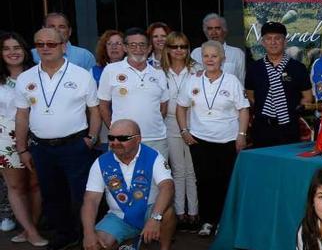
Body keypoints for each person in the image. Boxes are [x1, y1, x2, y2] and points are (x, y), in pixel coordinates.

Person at [14, 27, 101, 250]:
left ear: (63, 46)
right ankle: (65, 235)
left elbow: (95, 110)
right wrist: (22, 148)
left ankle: (85, 236)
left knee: (81, 194)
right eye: (40, 44)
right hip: (41, 148)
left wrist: (91, 138)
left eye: (51, 44)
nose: (45, 48)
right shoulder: (26, 78)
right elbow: (22, 115)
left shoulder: (81, 75)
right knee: (52, 195)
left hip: (75, 145)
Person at [81, 119, 176, 250]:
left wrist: (154, 218)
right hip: (119, 216)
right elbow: (91, 200)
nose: (115, 142)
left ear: (138, 139)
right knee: (98, 246)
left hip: (149, 212)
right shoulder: (101, 162)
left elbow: (167, 187)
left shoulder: (153, 157)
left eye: (123, 138)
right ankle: (133, 240)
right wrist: (88, 233)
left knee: (167, 213)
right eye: (111, 138)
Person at [175, 40, 249, 237]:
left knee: (225, 181)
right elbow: (181, 106)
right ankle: (208, 221)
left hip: (227, 140)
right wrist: (184, 130)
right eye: (206, 56)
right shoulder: (192, 80)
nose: (210, 59)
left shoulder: (232, 81)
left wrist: (241, 135)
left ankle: (224, 222)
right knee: (204, 181)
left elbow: (243, 109)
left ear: (222, 59)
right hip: (199, 140)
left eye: (214, 56)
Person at [0, 32, 46, 246]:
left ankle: (31, 227)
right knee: (17, 186)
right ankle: (29, 231)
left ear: (25, 51)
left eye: (17, 47)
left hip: (36, 134)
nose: (12, 52)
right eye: (7, 48)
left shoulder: (38, 74)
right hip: (5, 138)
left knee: (36, 184)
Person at [98, 27, 171, 159]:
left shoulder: (159, 73)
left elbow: (163, 107)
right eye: (132, 45)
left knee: (157, 179)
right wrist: (115, 129)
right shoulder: (111, 70)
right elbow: (103, 105)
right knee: (121, 179)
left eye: (142, 44)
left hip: (156, 139)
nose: (138, 49)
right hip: (122, 140)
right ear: (125, 48)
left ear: (149, 48)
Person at [244, 21, 311, 148]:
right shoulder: (254, 68)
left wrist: (290, 111)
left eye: (277, 38)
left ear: (285, 42)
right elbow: (250, 96)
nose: (273, 42)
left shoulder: (298, 68)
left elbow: (307, 97)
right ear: (263, 42)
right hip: (262, 127)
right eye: (268, 39)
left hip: (289, 126)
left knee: (288, 164)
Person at [161, 31, 201, 231]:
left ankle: (193, 213)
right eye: (174, 46)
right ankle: (179, 213)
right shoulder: (159, 71)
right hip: (169, 124)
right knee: (177, 170)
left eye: (183, 46)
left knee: (192, 171)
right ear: (167, 49)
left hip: (194, 124)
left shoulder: (197, 69)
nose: (179, 51)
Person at [191, 13, 246, 84]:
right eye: (210, 29)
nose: (214, 32)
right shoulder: (196, 53)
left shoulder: (237, 54)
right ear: (205, 32)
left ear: (224, 31)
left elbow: (241, 82)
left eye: (217, 28)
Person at [31, 12, 97, 70]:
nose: (56, 30)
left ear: (70, 31)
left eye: (61, 27)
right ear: (43, 29)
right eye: (51, 26)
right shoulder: (32, 55)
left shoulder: (84, 56)